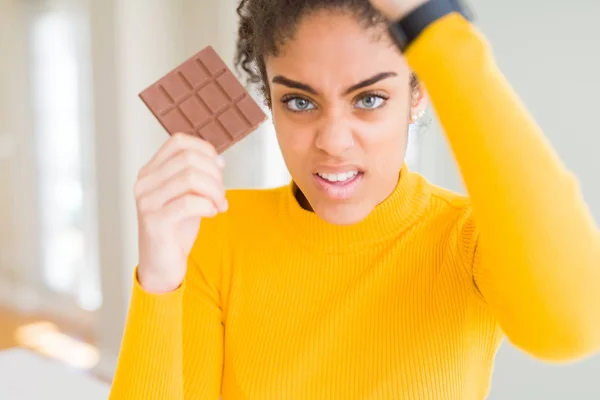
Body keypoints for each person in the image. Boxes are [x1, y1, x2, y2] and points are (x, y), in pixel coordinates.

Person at [108, 0, 600, 398]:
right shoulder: (213, 232)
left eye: (369, 99)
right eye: (299, 102)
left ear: (418, 94)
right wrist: (158, 281)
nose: (333, 142)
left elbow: (572, 328)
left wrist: (437, 30)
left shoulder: (468, 240)